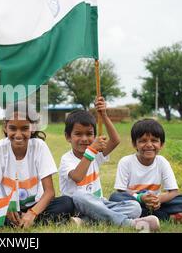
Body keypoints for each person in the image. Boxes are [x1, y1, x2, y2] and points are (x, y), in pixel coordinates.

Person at [0, 101, 74, 229]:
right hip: (6, 206)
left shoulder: (39, 147)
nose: (18, 135)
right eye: (13, 128)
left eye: (25, 128)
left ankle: (14, 221)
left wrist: (32, 213)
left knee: (66, 203)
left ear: (33, 128)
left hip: (35, 206)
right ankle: (18, 221)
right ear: (5, 127)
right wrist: (3, 208)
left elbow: (49, 192)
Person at [59, 97, 160, 231]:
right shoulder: (67, 159)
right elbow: (77, 177)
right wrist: (91, 151)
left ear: (94, 135)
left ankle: (85, 222)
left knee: (134, 206)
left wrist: (104, 115)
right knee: (79, 195)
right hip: (78, 206)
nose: (84, 139)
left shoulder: (95, 153)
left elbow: (115, 140)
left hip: (101, 203)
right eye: (78, 134)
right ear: (68, 137)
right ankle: (128, 224)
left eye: (89, 134)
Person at [109, 118, 182, 224]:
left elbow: (174, 191)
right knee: (115, 198)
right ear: (134, 144)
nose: (149, 145)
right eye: (143, 141)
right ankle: (168, 217)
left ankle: (143, 216)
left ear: (161, 144)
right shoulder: (126, 162)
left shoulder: (162, 162)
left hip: (156, 204)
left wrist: (158, 200)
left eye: (154, 140)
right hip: (135, 201)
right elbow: (121, 191)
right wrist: (141, 197)